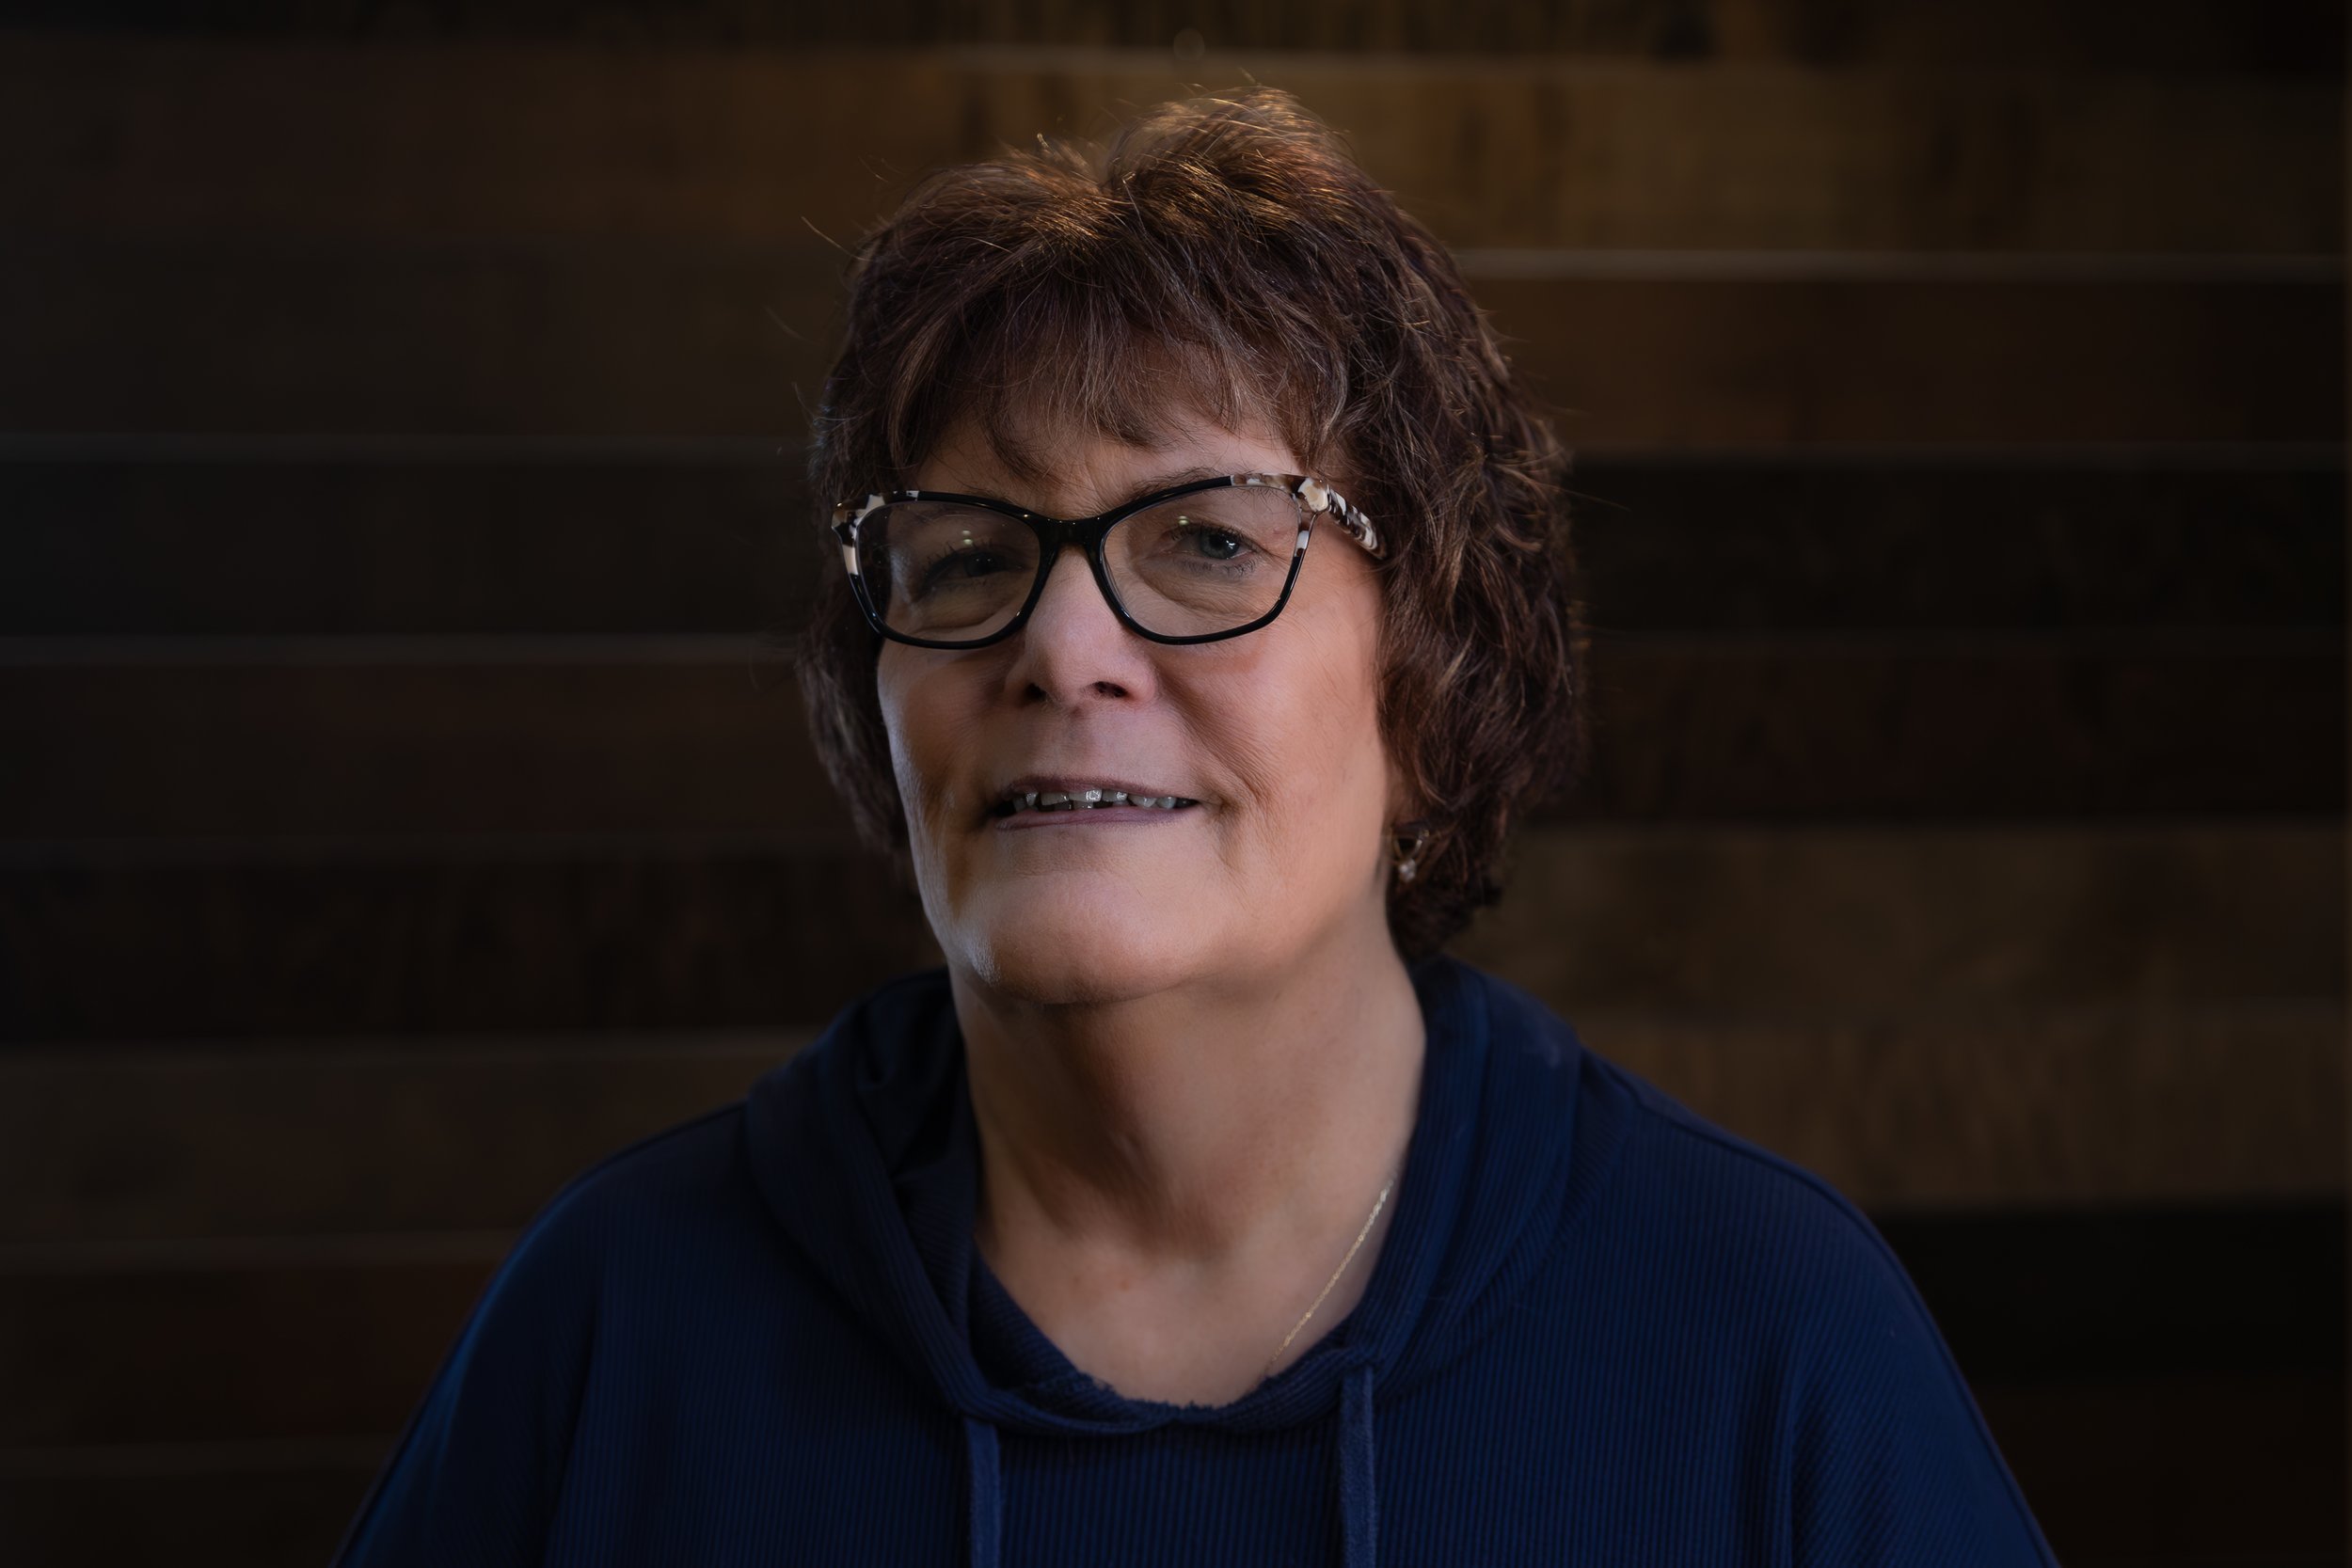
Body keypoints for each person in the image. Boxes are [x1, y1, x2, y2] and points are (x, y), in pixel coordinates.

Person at [332, 89, 2058, 1567]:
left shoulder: (1763, 1332)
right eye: (967, 558)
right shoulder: (616, 1323)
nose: (1059, 646)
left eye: (1214, 542)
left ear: (1434, 677)